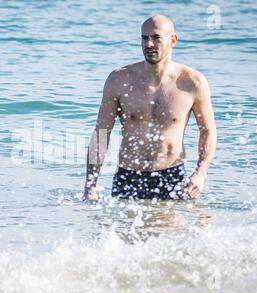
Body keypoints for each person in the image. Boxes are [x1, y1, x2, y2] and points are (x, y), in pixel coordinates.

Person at [83, 15, 217, 201]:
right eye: (144, 38)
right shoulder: (119, 79)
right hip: (128, 177)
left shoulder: (192, 82)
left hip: (172, 177)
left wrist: (200, 173)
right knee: (121, 230)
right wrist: (90, 185)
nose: (149, 44)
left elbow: (208, 131)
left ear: (173, 40)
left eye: (156, 37)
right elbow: (101, 133)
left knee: (171, 229)